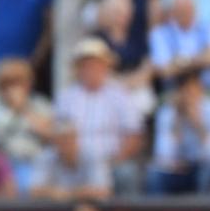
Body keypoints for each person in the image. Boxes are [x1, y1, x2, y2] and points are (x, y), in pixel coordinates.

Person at [55, 37, 145, 191]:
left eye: (96, 64)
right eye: (86, 65)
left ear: (105, 67)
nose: (91, 69)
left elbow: (134, 135)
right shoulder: (66, 97)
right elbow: (60, 133)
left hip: (111, 161)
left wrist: (116, 160)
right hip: (76, 162)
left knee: (126, 173)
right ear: (78, 68)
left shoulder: (120, 95)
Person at [0, 56, 56, 192]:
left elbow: (50, 135)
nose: (11, 87)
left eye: (17, 82)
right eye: (6, 82)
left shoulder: (39, 104)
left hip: (30, 162)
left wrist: (22, 109)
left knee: (29, 184)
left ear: (28, 83)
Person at [148, 70, 210, 194]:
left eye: (193, 89)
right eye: (184, 90)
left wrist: (198, 125)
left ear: (201, 89)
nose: (189, 95)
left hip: (205, 165)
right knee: (155, 174)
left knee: (207, 172)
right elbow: (163, 156)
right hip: (178, 169)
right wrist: (177, 122)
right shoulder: (167, 113)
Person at [150, 0, 210, 92]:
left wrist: (181, 61)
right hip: (174, 93)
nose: (186, 14)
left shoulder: (209, 28)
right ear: (173, 12)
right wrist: (200, 60)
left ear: (195, 11)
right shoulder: (160, 34)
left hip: (208, 90)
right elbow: (164, 71)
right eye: (181, 11)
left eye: (188, 10)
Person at [30, 120, 112, 200]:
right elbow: (34, 191)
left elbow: (103, 191)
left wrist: (69, 194)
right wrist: (55, 193)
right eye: (61, 139)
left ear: (76, 139)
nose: (66, 143)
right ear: (55, 141)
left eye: (69, 138)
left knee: (86, 210)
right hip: (55, 206)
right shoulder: (46, 157)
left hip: (85, 204)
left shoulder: (93, 155)